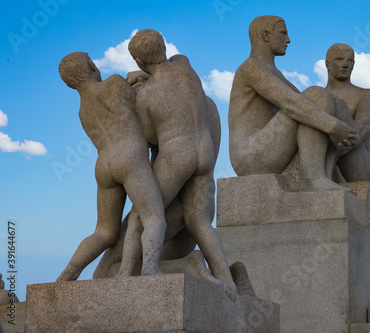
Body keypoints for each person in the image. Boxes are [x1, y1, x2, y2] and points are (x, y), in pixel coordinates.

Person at [116, 29, 237, 298]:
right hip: (205, 153)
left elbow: (149, 137)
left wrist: (139, 85)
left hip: (177, 153)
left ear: (138, 62)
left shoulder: (147, 95)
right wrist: (146, 75)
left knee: (143, 213)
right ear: (164, 48)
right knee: (201, 221)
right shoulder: (184, 64)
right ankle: (227, 281)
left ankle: (133, 271)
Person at [56, 52, 167, 281]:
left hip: (104, 166)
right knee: (154, 218)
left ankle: (69, 273)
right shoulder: (114, 83)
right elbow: (144, 109)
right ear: (91, 65)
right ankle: (149, 270)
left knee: (104, 232)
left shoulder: (83, 110)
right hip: (130, 157)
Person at [229, 16, 359, 191]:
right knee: (316, 95)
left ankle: (326, 176)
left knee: (332, 102)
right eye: (283, 34)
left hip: (269, 149)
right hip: (252, 157)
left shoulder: (274, 72)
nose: (288, 40)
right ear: (266, 35)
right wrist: (335, 127)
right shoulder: (251, 67)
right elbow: (292, 103)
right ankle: (312, 178)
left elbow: (305, 105)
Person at [325, 43, 370, 182]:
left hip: (358, 166)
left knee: (336, 105)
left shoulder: (366, 95)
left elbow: (363, 126)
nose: (345, 65)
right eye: (339, 59)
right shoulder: (320, 96)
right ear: (327, 64)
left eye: (350, 61)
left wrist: (328, 157)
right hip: (323, 163)